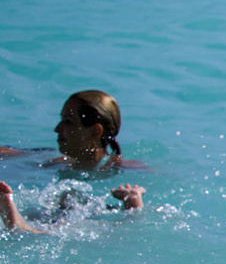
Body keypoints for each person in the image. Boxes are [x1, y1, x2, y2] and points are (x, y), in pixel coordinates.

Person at [1, 90, 143, 231]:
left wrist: (133, 206)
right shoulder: (54, 161)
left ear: (95, 132)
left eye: (68, 122)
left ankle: (20, 226)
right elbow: (15, 154)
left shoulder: (128, 171)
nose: (57, 129)